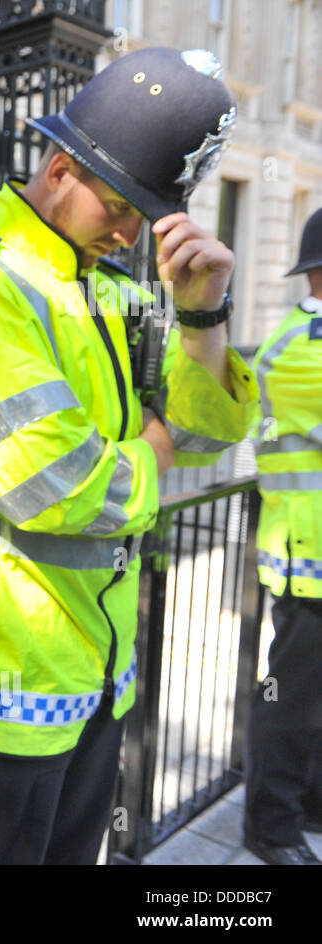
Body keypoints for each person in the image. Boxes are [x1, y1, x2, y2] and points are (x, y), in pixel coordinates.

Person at [0, 47, 258, 864]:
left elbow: (211, 430)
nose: (132, 231)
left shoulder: (105, 287)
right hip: (6, 668)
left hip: (92, 662)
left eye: (146, 211)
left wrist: (203, 315)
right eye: (120, 204)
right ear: (57, 169)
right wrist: (152, 443)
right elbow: (65, 486)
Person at [243, 207, 322, 865]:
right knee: (290, 701)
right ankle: (271, 826)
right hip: (306, 562)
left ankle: (310, 805)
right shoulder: (301, 348)